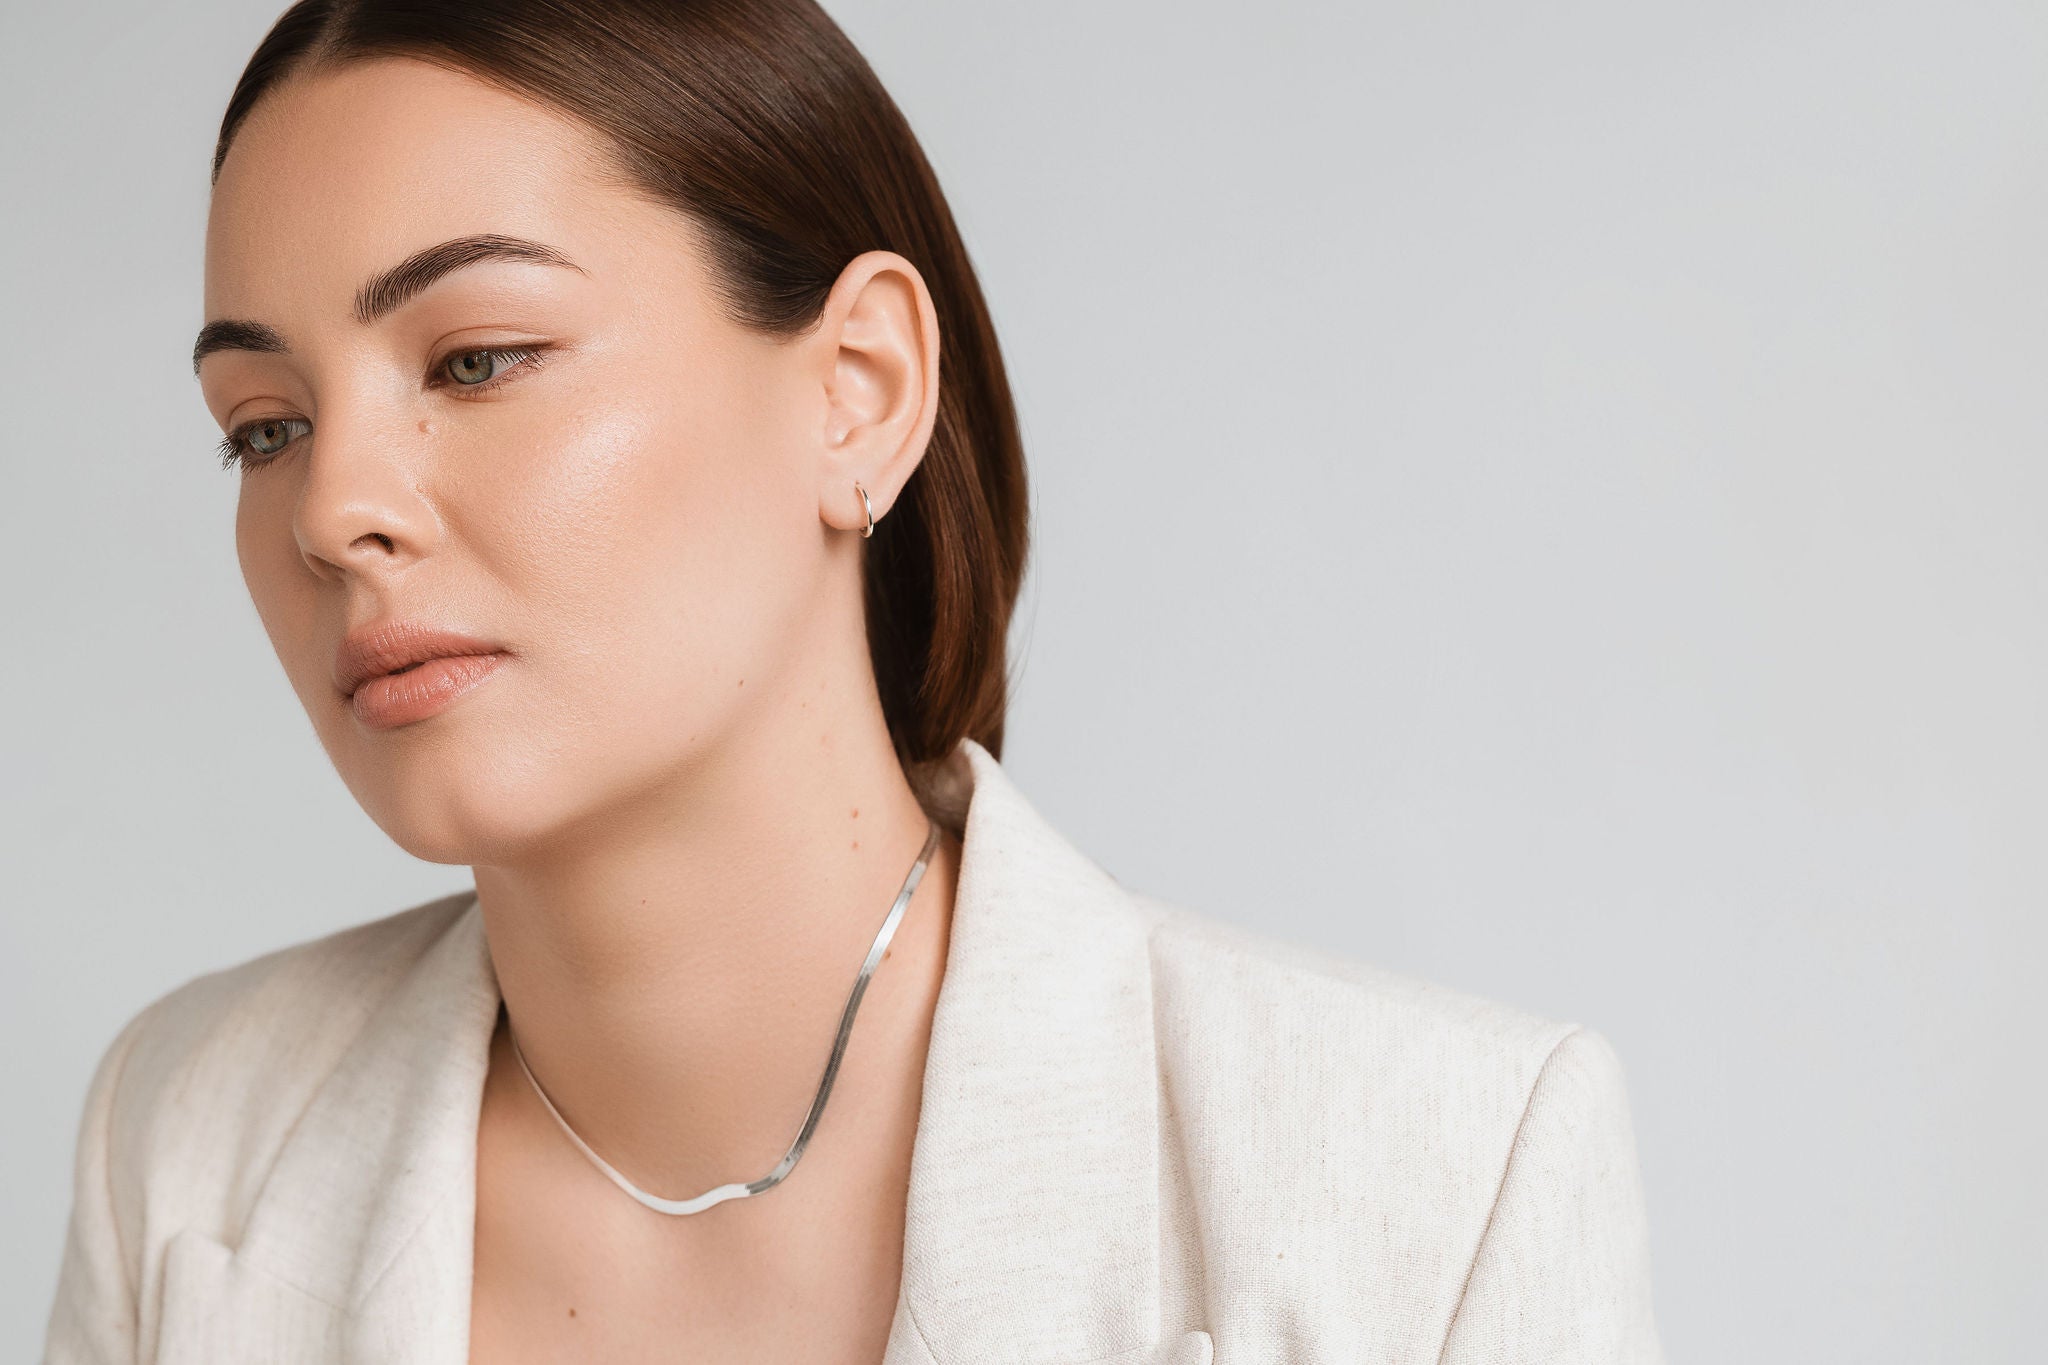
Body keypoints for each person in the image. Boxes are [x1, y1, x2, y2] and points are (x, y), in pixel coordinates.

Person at [42, 2, 1666, 1361]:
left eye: (476, 360)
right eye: (266, 425)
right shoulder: (188, 1142)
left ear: (859, 391)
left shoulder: (1430, 1184)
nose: (333, 512)